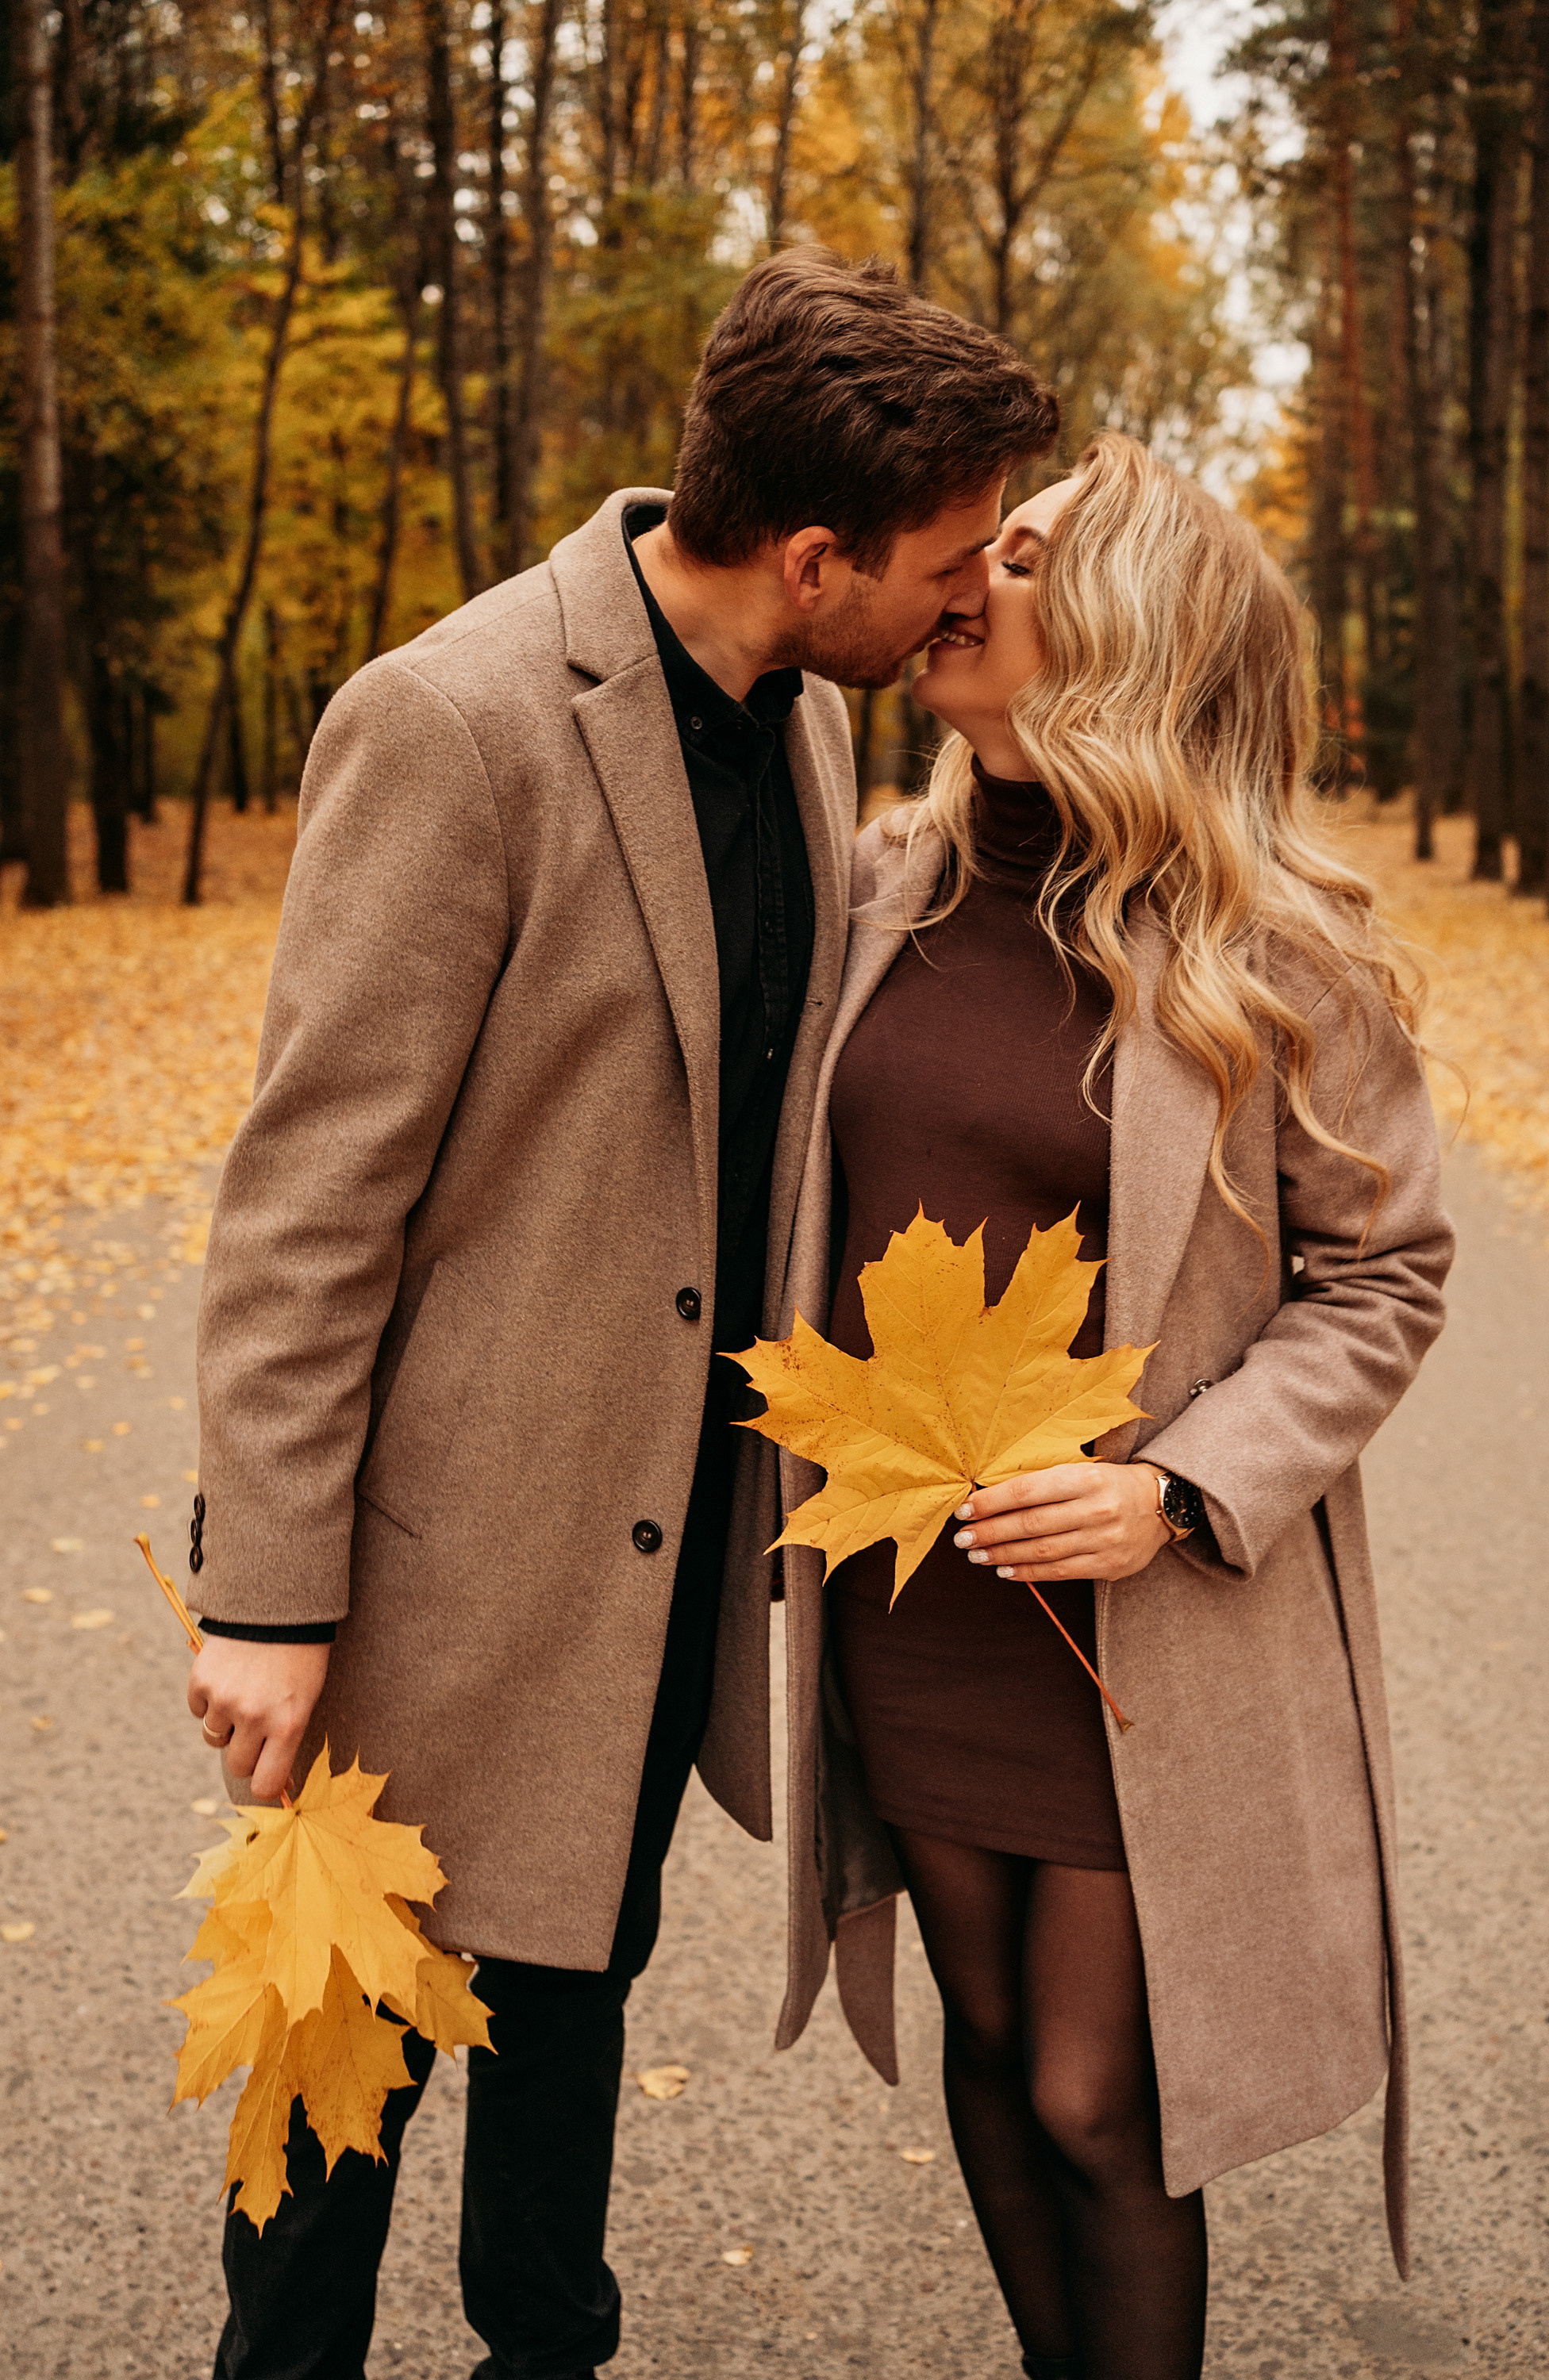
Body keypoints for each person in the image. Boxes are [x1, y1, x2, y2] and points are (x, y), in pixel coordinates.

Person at [179, 246, 1057, 2380]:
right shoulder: (453, 719)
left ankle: (545, 2350)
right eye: (948, 562)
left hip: (662, 1559)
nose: (967, 599)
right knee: (338, 2099)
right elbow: (308, 1199)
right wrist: (270, 1596)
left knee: (571, 2004)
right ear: (815, 558)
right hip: (423, 1577)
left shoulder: (815, 723)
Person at [766, 432, 1454, 2380]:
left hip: (1138, 1614)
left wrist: (1179, 1488)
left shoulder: (1273, 946)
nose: (965, 572)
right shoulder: (873, 886)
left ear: (1128, 632)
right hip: (913, 1583)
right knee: (990, 2042)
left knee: (1099, 2093)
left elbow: (1385, 1275)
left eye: (1025, 554)